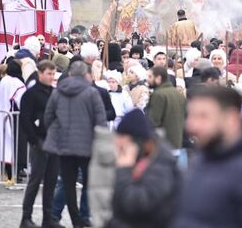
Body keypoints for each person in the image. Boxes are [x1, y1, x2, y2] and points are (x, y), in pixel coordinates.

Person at [172, 85, 242, 228]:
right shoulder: (204, 156)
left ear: (231, 118)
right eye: (191, 116)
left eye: (203, 117)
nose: (192, 126)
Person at [44, 61, 107, 228]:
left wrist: (55, 131)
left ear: (70, 74)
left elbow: (48, 116)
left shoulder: (58, 92)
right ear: (86, 75)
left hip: (63, 145)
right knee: (88, 181)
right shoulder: (91, 93)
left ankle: (75, 219)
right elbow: (101, 121)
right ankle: (83, 216)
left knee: (68, 183)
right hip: (87, 145)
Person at [108, 109, 179, 228]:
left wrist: (123, 170)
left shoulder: (161, 165)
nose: (117, 143)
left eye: (123, 138)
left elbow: (137, 204)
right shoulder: (142, 159)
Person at [19, 61, 62, 228]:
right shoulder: (30, 94)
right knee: (35, 181)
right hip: (40, 141)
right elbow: (25, 119)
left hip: (55, 142)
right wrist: (34, 140)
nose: (51, 77)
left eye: (53, 74)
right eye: (49, 74)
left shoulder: (55, 93)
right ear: (40, 73)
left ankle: (47, 218)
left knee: (51, 182)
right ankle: (26, 218)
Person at [0, 59, 27, 185]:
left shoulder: (1, 84)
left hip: (1, 118)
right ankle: (13, 175)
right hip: (13, 119)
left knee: (5, 146)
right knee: (14, 146)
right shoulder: (15, 82)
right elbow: (23, 100)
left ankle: (9, 175)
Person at [146, 66, 186, 150]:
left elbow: (153, 120)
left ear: (158, 78)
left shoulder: (159, 94)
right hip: (178, 140)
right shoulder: (177, 93)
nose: (147, 79)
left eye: (150, 77)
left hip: (164, 143)